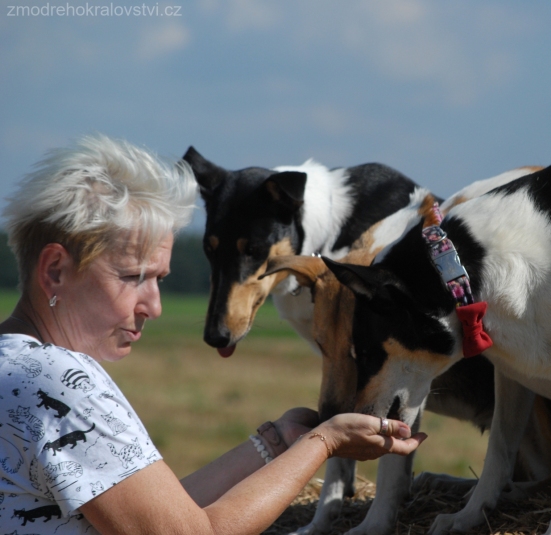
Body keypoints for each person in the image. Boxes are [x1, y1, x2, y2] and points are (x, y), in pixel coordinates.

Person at [0, 135, 426, 534]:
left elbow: (153, 513)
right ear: (55, 270)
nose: (155, 306)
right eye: (133, 276)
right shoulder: (57, 383)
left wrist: (276, 443)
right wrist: (323, 442)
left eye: (160, 280)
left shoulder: (13, 367)